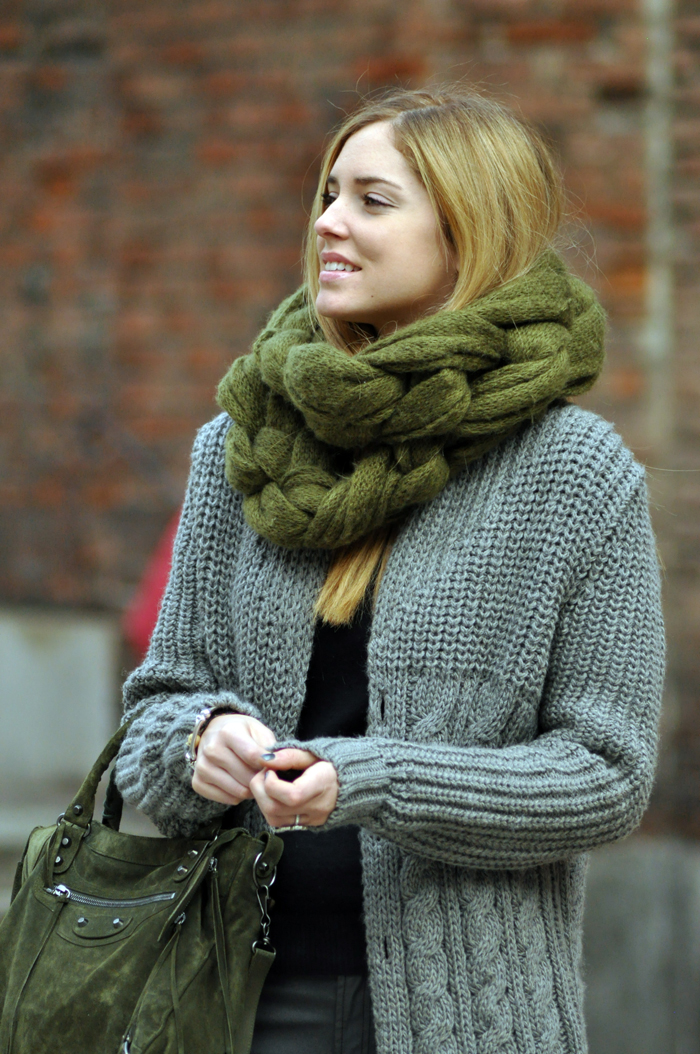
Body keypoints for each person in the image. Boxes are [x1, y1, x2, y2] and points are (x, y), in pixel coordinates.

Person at [115, 86, 665, 1054]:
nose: (328, 222)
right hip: (231, 998)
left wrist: (368, 777)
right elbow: (157, 704)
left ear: (467, 235)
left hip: (471, 1016)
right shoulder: (242, 447)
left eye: (372, 201)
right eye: (328, 195)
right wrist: (198, 739)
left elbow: (605, 772)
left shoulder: (575, 473)